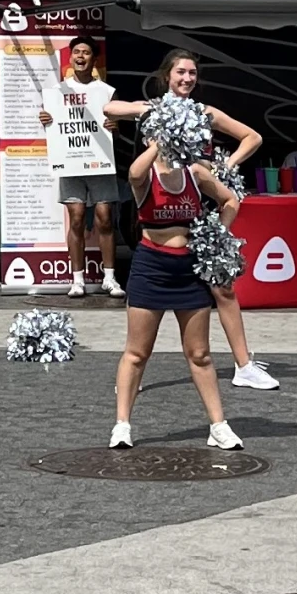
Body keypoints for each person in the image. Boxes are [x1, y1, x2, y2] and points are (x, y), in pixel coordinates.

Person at [149, 51, 280, 391]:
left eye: (192, 73)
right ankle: (133, 369)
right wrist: (148, 112)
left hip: (204, 212)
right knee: (154, 298)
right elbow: (111, 109)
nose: (187, 78)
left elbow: (253, 137)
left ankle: (244, 365)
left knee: (223, 287)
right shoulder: (155, 111)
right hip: (168, 210)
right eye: (181, 72)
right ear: (167, 75)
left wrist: (224, 167)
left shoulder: (205, 113)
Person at [109, 126, 241, 453]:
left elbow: (230, 201)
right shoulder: (146, 173)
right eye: (161, 133)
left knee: (200, 354)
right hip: (150, 266)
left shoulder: (195, 172)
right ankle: (122, 425)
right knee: (137, 352)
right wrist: (157, 145)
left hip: (188, 269)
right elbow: (135, 173)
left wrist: (214, 237)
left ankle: (218, 426)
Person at [41, 34, 127, 300]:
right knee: (76, 218)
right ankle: (76, 280)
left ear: (94, 58)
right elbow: (54, 125)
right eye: (76, 52)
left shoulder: (106, 92)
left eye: (86, 52)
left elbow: (116, 123)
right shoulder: (56, 93)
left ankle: (109, 279)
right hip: (71, 163)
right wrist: (46, 119)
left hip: (99, 161)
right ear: (71, 57)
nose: (80, 56)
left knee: (104, 218)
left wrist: (115, 125)